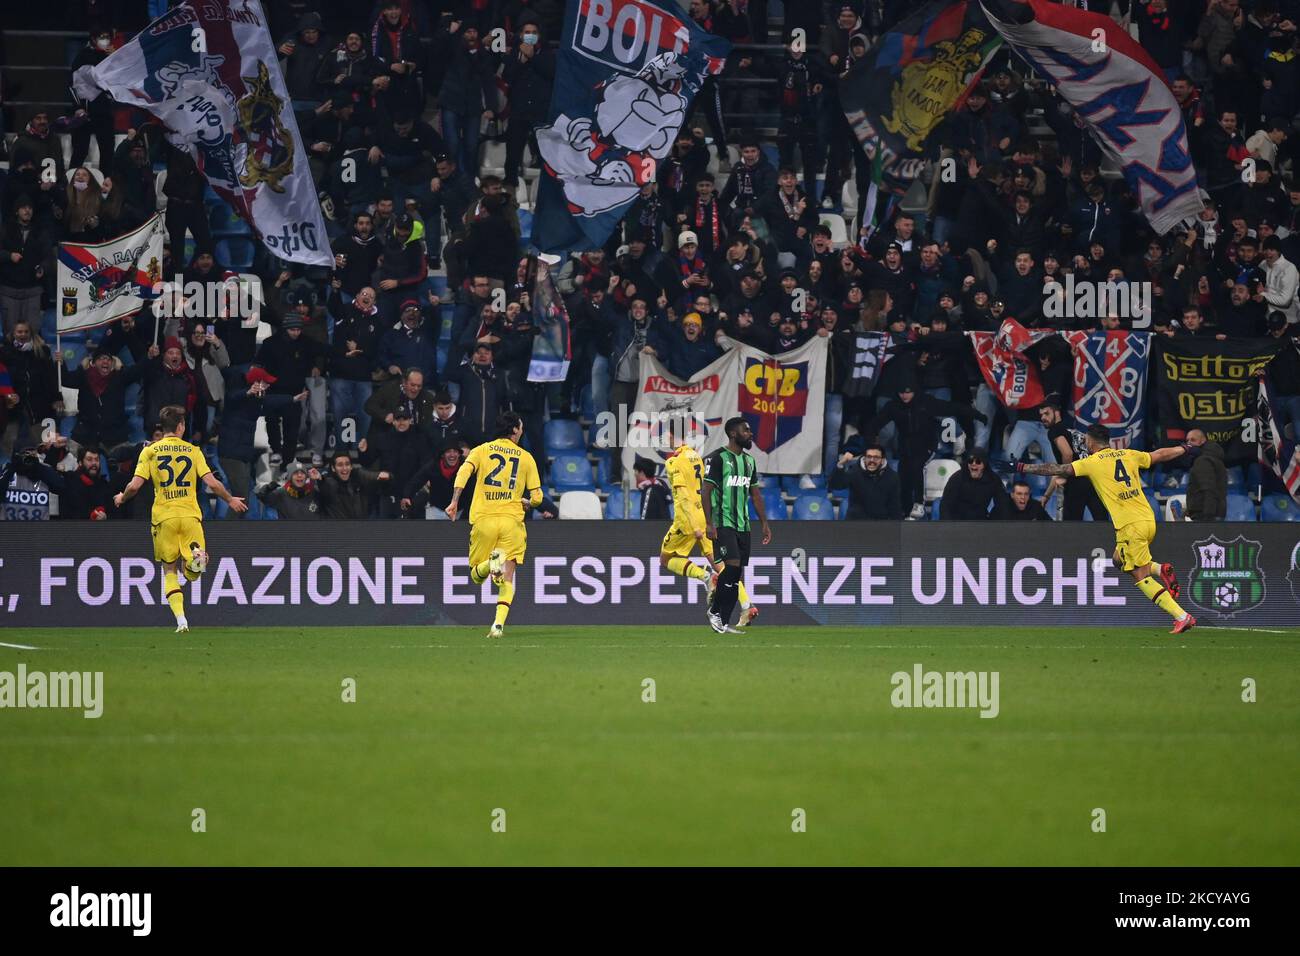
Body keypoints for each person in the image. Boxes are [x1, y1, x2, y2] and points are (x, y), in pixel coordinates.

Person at [1022, 424, 1196, 634]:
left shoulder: (1092, 462)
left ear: (1091, 441)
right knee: (1117, 559)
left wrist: (1022, 467)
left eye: (1086, 440)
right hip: (1147, 519)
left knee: (1139, 576)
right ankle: (1160, 569)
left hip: (1130, 525)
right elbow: (1159, 454)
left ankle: (1181, 616)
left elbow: (1058, 469)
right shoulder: (1128, 454)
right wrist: (1185, 448)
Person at [112, 404, 248, 632]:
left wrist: (121, 498)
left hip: (164, 517)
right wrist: (230, 499)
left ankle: (181, 620)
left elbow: (135, 486)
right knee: (194, 574)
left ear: (162, 427)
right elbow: (212, 483)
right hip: (190, 515)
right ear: (181, 426)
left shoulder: (151, 451)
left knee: (169, 569)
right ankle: (195, 561)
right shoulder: (193, 451)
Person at [446, 411, 543, 639]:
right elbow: (537, 497)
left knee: (475, 576)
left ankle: (489, 566)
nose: (522, 431)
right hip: (511, 523)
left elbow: (464, 471)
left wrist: (454, 501)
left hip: (484, 520)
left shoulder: (482, 450)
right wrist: (528, 502)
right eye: (521, 427)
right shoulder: (526, 457)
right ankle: (497, 625)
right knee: (507, 579)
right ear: (514, 430)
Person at [656, 425, 757, 628]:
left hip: (687, 521)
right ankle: (747, 606)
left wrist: (694, 526)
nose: (663, 439)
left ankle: (706, 577)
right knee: (725, 566)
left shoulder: (673, 461)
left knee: (666, 559)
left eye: (665, 436)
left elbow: (683, 495)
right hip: (704, 513)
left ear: (672, 437)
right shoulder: (695, 456)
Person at [702, 417, 772, 634]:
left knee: (736, 574)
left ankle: (722, 621)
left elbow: (756, 494)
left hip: (744, 525)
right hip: (723, 523)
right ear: (733, 434)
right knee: (731, 567)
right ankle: (715, 611)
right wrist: (709, 522)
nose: (750, 433)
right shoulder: (717, 458)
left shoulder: (749, 461)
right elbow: (706, 491)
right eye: (746, 430)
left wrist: (764, 523)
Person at [830, 444, 903, 520]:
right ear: (864, 458)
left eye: (876, 457)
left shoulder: (892, 477)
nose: (872, 460)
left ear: (883, 460)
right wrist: (840, 465)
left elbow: (895, 507)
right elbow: (836, 486)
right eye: (869, 457)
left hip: (880, 524)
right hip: (855, 523)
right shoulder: (854, 471)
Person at [1184, 428, 1227, 521]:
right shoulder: (1213, 458)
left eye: (1193, 440)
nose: (1189, 443)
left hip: (1205, 516)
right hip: (1213, 513)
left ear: (1202, 441)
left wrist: (1207, 516)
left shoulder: (1203, 460)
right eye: (1187, 440)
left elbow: (1208, 489)